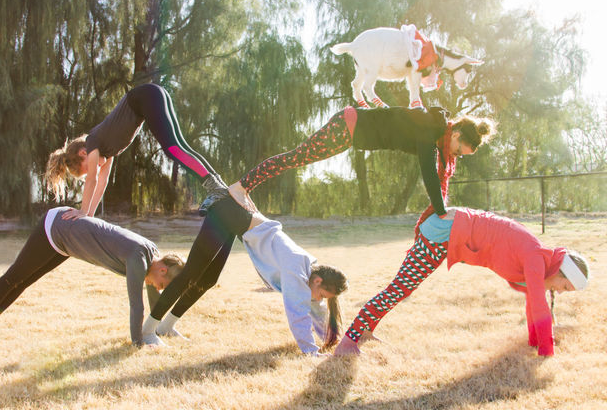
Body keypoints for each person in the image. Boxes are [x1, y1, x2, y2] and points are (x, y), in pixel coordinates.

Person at [334, 207, 590, 357]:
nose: (561, 292)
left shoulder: (540, 258)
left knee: (401, 289)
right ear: (561, 272)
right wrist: (547, 351)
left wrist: (535, 342)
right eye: (565, 287)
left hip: (447, 231)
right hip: (442, 234)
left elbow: (533, 301)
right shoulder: (537, 259)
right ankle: (349, 340)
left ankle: (365, 331)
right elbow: (538, 302)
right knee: (399, 289)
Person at [141, 195, 348, 355]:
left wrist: (335, 340)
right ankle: (148, 331)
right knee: (190, 274)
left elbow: (317, 308)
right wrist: (311, 351)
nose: (319, 299)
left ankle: (166, 326)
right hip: (228, 213)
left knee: (208, 279)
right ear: (319, 281)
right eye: (322, 294)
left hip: (236, 222)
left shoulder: (309, 272)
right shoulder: (296, 268)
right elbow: (298, 312)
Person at [229, 105, 495, 220]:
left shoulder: (435, 130)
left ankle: (244, 187)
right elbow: (429, 173)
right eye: (459, 151)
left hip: (348, 131)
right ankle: (241, 187)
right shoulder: (431, 129)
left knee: (296, 158)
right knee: (296, 157)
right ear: (456, 135)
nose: (454, 157)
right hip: (346, 127)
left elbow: (434, 169)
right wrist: (441, 211)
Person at [0, 207, 185, 346]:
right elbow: (136, 305)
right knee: (14, 276)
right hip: (56, 227)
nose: (158, 288)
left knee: (24, 281)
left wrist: (155, 328)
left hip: (66, 243)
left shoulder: (152, 254)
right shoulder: (139, 259)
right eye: (162, 284)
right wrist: (139, 341)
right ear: (163, 270)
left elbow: (152, 297)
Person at [45, 83, 228, 218]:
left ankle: (215, 188)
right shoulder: (107, 150)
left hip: (144, 97)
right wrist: (89, 215)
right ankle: (217, 184)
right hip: (152, 94)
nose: (96, 167)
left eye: (88, 166)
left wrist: (82, 211)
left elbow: (92, 179)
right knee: (179, 147)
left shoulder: (93, 140)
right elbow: (102, 182)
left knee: (172, 149)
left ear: (82, 153)